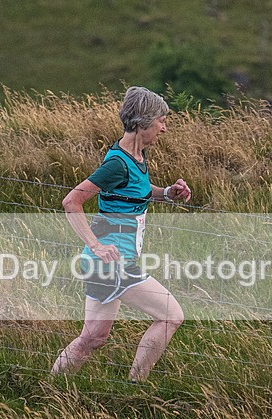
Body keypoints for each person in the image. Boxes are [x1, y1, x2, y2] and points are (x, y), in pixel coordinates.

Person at [51, 86, 191, 382]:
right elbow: (71, 202)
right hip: (113, 264)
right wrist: (96, 245)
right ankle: (135, 385)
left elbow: (137, 193)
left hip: (107, 264)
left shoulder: (134, 157)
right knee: (171, 315)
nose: (164, 128)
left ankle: (51, 388)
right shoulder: (117, 163)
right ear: (143, 122)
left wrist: (168, 193)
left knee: (92, 339)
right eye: (161, 121)